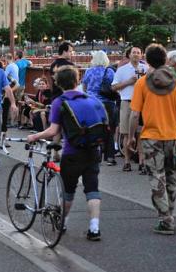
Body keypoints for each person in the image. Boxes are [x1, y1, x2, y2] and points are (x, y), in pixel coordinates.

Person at [27, 65, 107, 241]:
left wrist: (34, 136)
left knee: (68, 190)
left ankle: (63, 223)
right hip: (93, 150)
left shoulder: (59, 102)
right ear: (77, 80)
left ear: (58, 83)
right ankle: (94, 228)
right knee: (92, 189)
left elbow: (53, 130)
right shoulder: (92, 100)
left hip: (72, 152)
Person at [127, 44, 176, 235]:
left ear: (147, 60)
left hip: (151, 137)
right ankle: (169, 213)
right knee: (171, 176)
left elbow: (135, 115)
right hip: (173, 136)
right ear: (165, 60)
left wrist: (130, 137)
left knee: (156, 176)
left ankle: (165, 219)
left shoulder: (142, 83)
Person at [111, 46, 147, 172]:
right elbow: (114, 87)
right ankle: (127, 161)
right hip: (127, 102)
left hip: (143, 103)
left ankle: (142, 162)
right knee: (126, 133)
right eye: (134, 52)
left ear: (142, 55)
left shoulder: (146, 68)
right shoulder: (122, 70)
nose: (136, 54)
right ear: (129, 55)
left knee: (141, 134)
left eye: (138, 52)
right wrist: (128, 82)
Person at [81, 50, 117, 165]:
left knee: (92, 128)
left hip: (92, 103)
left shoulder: (89, 71)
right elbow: (114, 86)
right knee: (109, 129)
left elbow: (84, 87)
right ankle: (110, 157)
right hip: (107, 103)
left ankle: (93, 155)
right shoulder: (110, 71)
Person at [1, 53, 20, 153]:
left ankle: (2, 139)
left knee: (2, 116)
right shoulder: (15, 66)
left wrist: (7, 92)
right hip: (13, 89)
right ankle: (4, 138)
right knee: (5, 115)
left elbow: (4, 77)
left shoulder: (8, 67)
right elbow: (17, 82)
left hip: (6, 91)